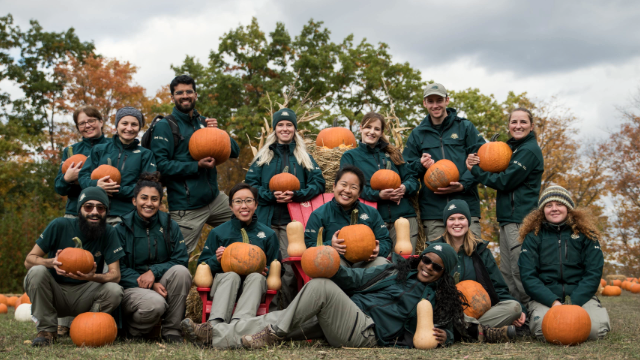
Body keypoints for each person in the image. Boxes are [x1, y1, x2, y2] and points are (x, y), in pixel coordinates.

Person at [181, 242, 513, 348]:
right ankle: (215, 336)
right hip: (344, 316)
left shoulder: (439, 299)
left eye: (436, 266)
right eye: (425, 259)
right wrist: (330, 261)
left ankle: (274, 335)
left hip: (367, 331)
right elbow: (353, 278)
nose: (427, 267)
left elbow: (452, 328)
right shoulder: (392, 270)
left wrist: (449, 337)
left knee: (320, 288)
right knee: (278, 317)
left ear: (444, 274)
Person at [23, 187, 124, 346]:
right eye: (88, 207)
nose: (94, 212)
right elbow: (29, 260)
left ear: (106, 212)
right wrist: (50, 262)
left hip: (86, 292)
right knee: (36, 271)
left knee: (114, 290)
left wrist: (92, 277)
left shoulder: (109, 232)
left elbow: (115, 275)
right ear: (80, 209)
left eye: (101, 208)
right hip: (55, 291)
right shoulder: (59, 225)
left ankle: (89, 327)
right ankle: (47, 331)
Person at [150, 75, 240, 253]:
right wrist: (196, 166)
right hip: (186, 207)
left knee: (248, 226)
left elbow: (234, 151)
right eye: (179, 93)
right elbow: (161, 166)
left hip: (215, 200)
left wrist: (219, 132)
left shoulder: (203, 122)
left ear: (196, 95)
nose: (185, 95)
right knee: (177, 256)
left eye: (189, 91)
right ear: (172, 97)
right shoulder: (165, 126)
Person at [245, 107, 325, 308]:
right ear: (275, 129)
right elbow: (250, 185)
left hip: (293, 224)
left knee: (289, 269)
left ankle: (288, 313)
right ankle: (265, 313)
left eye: (289, 125)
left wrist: (296, 195)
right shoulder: (264, 157)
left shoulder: (303, 157)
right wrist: (270, 196)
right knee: (265, 267)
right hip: (266, 221)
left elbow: (319, 182)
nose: (285, 128)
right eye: (280, 124)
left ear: (295, 129)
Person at [466, 108, 543, 305]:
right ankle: (517, 312)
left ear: (532, 126)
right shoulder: (513, 148)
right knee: (508, 272)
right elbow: (493, 156)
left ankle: (533, 312)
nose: (518, 126)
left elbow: (505, 181)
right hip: (507, 218)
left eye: (523, 122)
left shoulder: (528, 151)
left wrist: (475, 171)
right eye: (514, 122)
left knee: (520, 270)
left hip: (521, 219)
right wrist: (476, 160)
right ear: (508, 125)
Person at [518, 185, 610, 341]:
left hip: (579, 296)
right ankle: (535, 315)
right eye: (549, 205)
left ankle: (594, 313)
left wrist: (574, 302)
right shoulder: (533, 237)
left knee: (596, 331)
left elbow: (593, 273)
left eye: (559, 204)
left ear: (568, 207)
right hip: (546, 298)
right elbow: (528, 276)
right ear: (542, 210)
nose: (554, 209)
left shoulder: (586, 235)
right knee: (544, 331)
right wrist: (553, 302)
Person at [403, 83, 485, 241]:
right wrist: (420, 165)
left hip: (466, 207)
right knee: (438, 261)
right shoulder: (417, 134)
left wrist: (463, 184)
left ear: (447, 101)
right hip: (434, 211)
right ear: (424, 103)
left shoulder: (465, 127)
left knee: (473, 258)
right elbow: (406, 169)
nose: (435, 105)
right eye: (431, 101)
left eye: (439, 100)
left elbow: (482, 160)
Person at [53, 106, 110, 336]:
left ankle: (100, 316)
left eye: (92, 120)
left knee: (104, 264)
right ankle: (64, 322)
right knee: (72, 262)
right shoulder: (71, 151)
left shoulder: (111, 147)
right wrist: (67, 179)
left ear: (101, 121)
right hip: (75, 213)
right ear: (78, 127)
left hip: (105, 212)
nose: (87, 125)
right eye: (82, 123)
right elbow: (59, 186)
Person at [193, 183, 280, 332]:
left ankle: (239, 326)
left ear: (256, 204)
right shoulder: (219, 232)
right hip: (224, 288)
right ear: (230, 206)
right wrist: (216, 259)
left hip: (253, 290)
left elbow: (277, 266)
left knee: (256, 277)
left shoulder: (268, 234)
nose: (243, 206)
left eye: (248, 200)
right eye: (238, 201)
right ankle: (214, 326)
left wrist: (267, 270)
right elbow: (202, 265)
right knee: (231, 275)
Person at [430, 199, 522, 338]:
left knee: (514, 307)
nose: (457, 223)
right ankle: (478, 332)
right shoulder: (435, 250)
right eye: (451, 218)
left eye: (461, 218)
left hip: (480, 313)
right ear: (445, 222)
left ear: (468, 221)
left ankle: (467, 331)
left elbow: (498, 287)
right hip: (445, 312)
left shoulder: (481, 250)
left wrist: (520, 311)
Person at [116, 172, 191, 343]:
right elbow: (118, 268)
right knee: (155, 303)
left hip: (158, 281)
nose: (149, 203)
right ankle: (133, 332)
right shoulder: (120, 229)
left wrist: (154, 272)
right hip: (131, 287)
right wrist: (147, 282)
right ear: (134, 201)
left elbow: (180, 260)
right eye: (144, 198)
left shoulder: (170, 225)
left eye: (154, 199)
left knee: (181, 272)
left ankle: (172, 330)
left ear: (160, 202)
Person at [340, 112, 420, 254]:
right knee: (380, 265)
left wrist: (404, 188)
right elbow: (349, 188)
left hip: (403, 217)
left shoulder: (393, 154)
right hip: (372, 220)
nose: (372, 132)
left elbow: (413, 180)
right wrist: (378, 195)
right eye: (368, 127)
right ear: (360, 128)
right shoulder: (350, 156)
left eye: (377, 129)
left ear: (382, 132)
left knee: (405, 263)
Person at [79, 107, 157, 225]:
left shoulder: (145, 154)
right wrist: (97, 185)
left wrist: (118, 190)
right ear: (117, 125)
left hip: (126, 216)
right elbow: (83, 176)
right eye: (124, 123)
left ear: (139, 128)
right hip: (97, 214)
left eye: (134, 124)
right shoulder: (99, 150)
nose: (129, 128)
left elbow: (147, 186)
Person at [305, 166, 392, 268]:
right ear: (334, 186)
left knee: (383, 263)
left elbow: (385, 240)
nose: (347, 190)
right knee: (331, 265)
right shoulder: (319, 215)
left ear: (359, 193)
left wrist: (379, 250)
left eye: (354, 187)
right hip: (337, 262)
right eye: (344, 185)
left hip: (366, 262)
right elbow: (310, 245)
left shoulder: (372, 213)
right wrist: (330, 246)